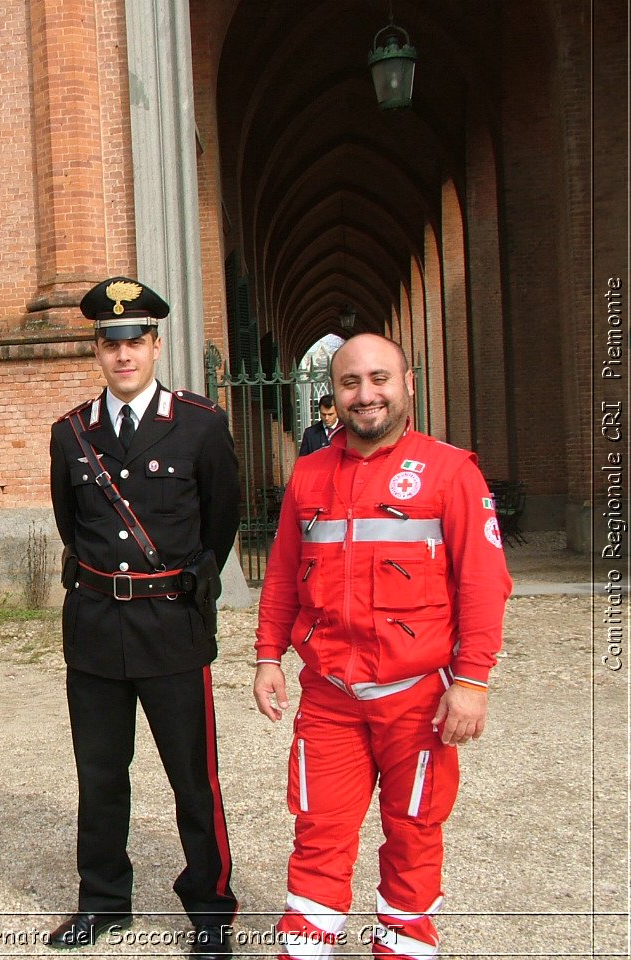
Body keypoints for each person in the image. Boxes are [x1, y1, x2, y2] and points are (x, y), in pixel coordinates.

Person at [252, 333, 512, 960]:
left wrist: (472, 683)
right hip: (331, 696)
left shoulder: (453, 472)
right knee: (319, 830)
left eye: (379, 379)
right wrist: (267, 656)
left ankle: (404, 946)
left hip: (415, 698)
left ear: (408, 384)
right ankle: (308, 946)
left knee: (414, 829)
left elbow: (483, 583)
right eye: (350, 383)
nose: (365, 395)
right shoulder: (310, 473)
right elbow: (285, 571)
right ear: (333, 393)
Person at [46, 277, 241, 959]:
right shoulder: (71, 434)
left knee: (193, 775)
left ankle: (211, 905)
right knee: (101, 772)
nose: (123, 353)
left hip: (171, 625)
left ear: (157, 344)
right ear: (96, 349)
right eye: (110, 341)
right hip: (96, 624)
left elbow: (221, 524)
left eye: (136, 339)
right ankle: (103, 899)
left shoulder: (200, 424)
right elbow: (72, 526)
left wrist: (176, 584)